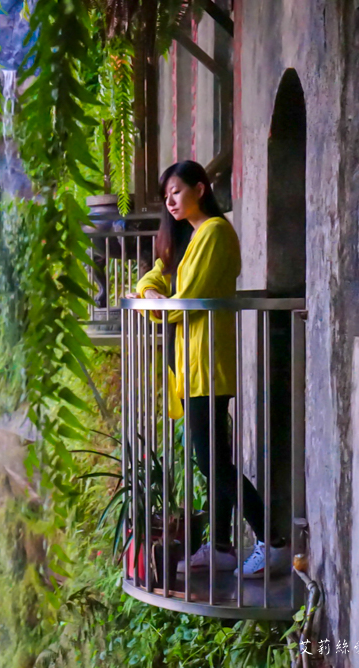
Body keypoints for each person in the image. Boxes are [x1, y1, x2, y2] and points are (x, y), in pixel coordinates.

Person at [126, 160, 289, 579]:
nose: (170, 201)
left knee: (212, 461)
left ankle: (272, 541)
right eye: (166, 195)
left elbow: (185, 300)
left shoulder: (215, 232)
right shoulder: (189, 237)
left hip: (207, 363)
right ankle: (219, 546)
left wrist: (158, 306)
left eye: (177, 191)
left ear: (200, 189)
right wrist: (151, 294)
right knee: (214, 458)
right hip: (192, 365)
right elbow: (153, 279)